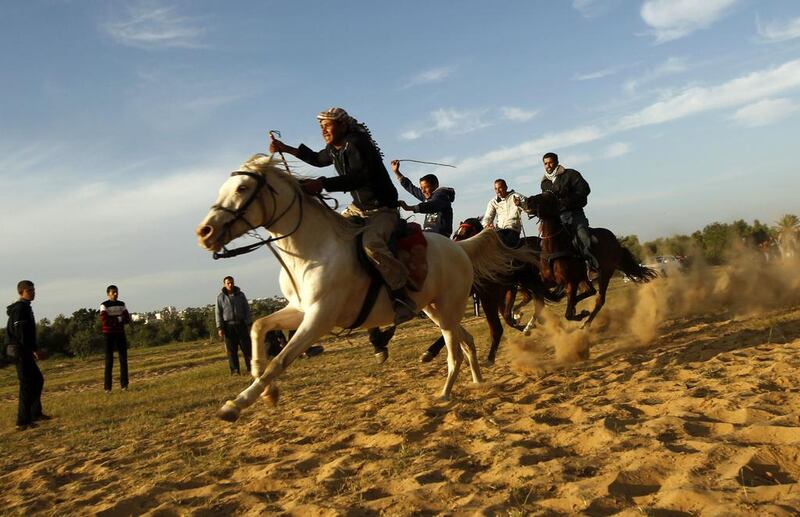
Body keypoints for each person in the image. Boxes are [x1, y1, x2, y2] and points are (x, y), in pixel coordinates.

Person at [269, 107, 417, 326]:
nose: (323, 131)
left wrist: (322, 184)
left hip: (382, 209)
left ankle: (401, 295)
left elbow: (358, 178)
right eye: (321, 127)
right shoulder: (334, 148)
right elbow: (318, 159)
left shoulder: (357, 143)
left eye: (327, 125)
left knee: (371, 245)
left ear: (342, 125)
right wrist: (285, 148)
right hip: (358, 208)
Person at [539, 152, 599, 270]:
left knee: (583, 236)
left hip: (575, 213)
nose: (548, 165)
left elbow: (584, 189)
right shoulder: (544, 183)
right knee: (546, 241)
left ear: (556, 162)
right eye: (545, 163)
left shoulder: (571, 174)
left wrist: (567, 201)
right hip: (557, 218)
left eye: (550, 162)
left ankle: (591, 266)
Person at [6, 280, 49, 430]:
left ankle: (35, 413)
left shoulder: (26, 307)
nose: (33, 292)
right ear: (21, 292)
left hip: (24, 350)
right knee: (26, 385)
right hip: (19, 351)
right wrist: (34, 350)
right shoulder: (20, 309)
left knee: (37, 380)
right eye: (29, 290)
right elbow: (21, 334)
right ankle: (22, 422)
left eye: (33, 289)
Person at [391, 160, 455, 237]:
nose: (423, 191)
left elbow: (432, 205)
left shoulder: (442, 196)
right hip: (428, 234)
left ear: (435, 185)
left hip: (440, 235)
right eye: (421, 188)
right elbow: (410, 187)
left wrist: (410, 208)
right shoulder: (427, 197)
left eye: (426, 187)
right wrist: (397, 172)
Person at [215, 276, 252, 375]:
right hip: (228, 327)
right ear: (224, 284)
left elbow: (247, 309)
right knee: (232, 351)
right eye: (228, 283)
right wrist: (220, 328)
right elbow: (218, 313)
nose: (230, 285)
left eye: (231, 282)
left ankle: (251, 368)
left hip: (241, 325)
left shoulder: (240, 295)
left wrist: (249, 323)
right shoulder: (220, 297)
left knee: (247, 348)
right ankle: (235, 371)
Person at [99, 285, 131, 392]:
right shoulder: (104, 305)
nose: (116, 294)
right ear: (108, 294)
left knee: (123, 360)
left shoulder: (122, 304)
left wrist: (114, 319)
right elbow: (105, 320)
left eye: (117, 292)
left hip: (120, 334)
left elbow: (127, 319)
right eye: (113, 292)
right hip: (108, 335)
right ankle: (107, 388)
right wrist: (119, 319)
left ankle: (124, 385)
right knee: (109, 361)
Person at [482, 179, 525, 247]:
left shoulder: (516, 196)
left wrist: (521, 204)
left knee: (504, 242)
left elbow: (529, 206)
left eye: (500, 188)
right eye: (496, 189)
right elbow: (488, 217)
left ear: (506, 187)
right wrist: (487, 225)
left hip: (512, 230)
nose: (498, 191)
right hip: (499, 231)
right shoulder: (493, 202)